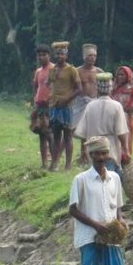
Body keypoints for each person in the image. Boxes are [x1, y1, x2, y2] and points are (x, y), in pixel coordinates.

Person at [68, 136, 129, 265]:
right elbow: (73, 209)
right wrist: (96, 225)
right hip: (89, 236)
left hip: (110, 237)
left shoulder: (115, 178)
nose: (101, 157)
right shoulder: (81, 180)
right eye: (97, 154)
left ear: (108, 154)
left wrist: (120, 220)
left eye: (104, 153)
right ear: (90, 155)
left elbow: (117, 206)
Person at [73, 73, 130, 173]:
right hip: (109, 151)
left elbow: (82, 133)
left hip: (93, 150)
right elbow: (121, 132)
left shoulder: (90, 106)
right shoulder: (116, 106)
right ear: (110, 88)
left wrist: (83, 151)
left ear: (97, 89)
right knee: (110, 180)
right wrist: (126, 150)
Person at [47, 41, 82, 171]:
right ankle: (54, 163)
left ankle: (68, 165)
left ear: (66, 55)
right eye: (57, 54)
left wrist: (67, 99)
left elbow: (79, 89)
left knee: (67, 136)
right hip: (54, 106)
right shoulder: (53, 69)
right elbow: (49, 85)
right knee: (56, 136)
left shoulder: (72, 70)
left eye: (62, 54)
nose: (59, 56)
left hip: (67, 107)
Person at [74, 44, 103, 165]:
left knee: (95, 130)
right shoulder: (77, 71)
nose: (92, 58)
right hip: (82, 103)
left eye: (94, 56)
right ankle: (83, 155)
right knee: (83, 131)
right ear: (84, 57)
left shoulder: (99, 72)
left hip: (96, 103)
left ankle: (94, 154)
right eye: (90, 55)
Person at [31, 44, 54, 168]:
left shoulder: (54, 69)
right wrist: (35, 102)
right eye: (39, 55)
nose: (41, 57)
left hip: (50, 106)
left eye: (44, 55)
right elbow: (35, 87)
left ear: (49, 56)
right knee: (41, 134)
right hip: (39, 105)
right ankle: (44, 162)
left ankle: (53, 161)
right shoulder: (38, 71)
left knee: (50, 134)